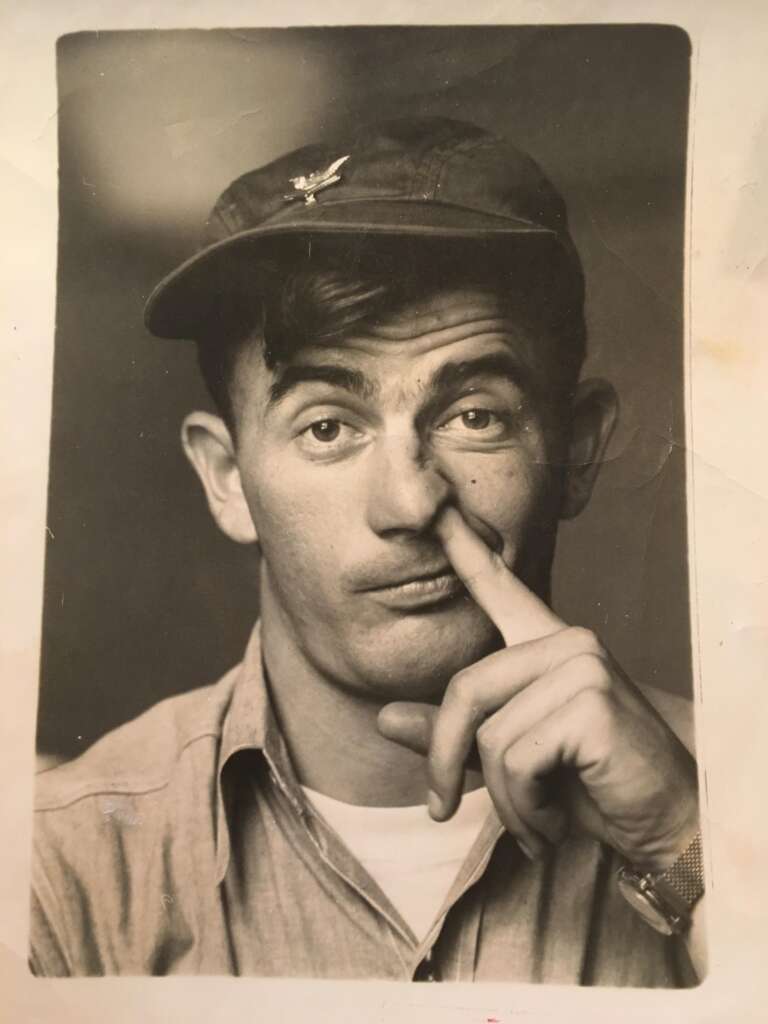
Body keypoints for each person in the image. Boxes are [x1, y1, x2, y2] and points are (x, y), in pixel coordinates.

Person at [30, 117, 704, 984]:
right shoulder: (54, 868)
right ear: (226, 478)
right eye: (327, 427)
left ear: (575, 452)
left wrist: (685, 842)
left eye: (476, 417)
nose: (412, 501)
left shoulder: (732, 801)